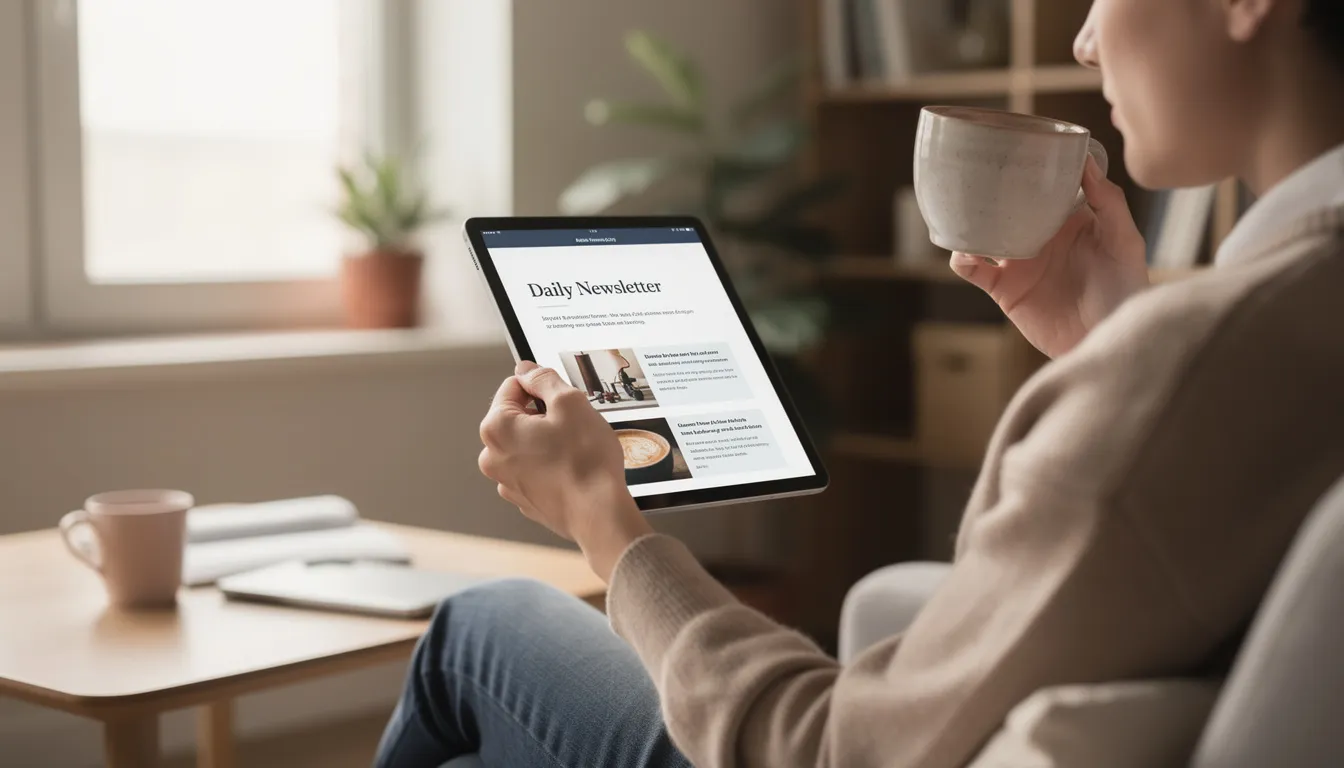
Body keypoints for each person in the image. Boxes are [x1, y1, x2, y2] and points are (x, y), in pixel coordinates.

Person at [375, 0, 1344, 765]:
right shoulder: (1287, 318)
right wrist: (1112, 341)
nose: (1087, 40)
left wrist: (604, 517)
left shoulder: (1204, 361)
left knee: (479, 627)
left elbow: (826, 747)